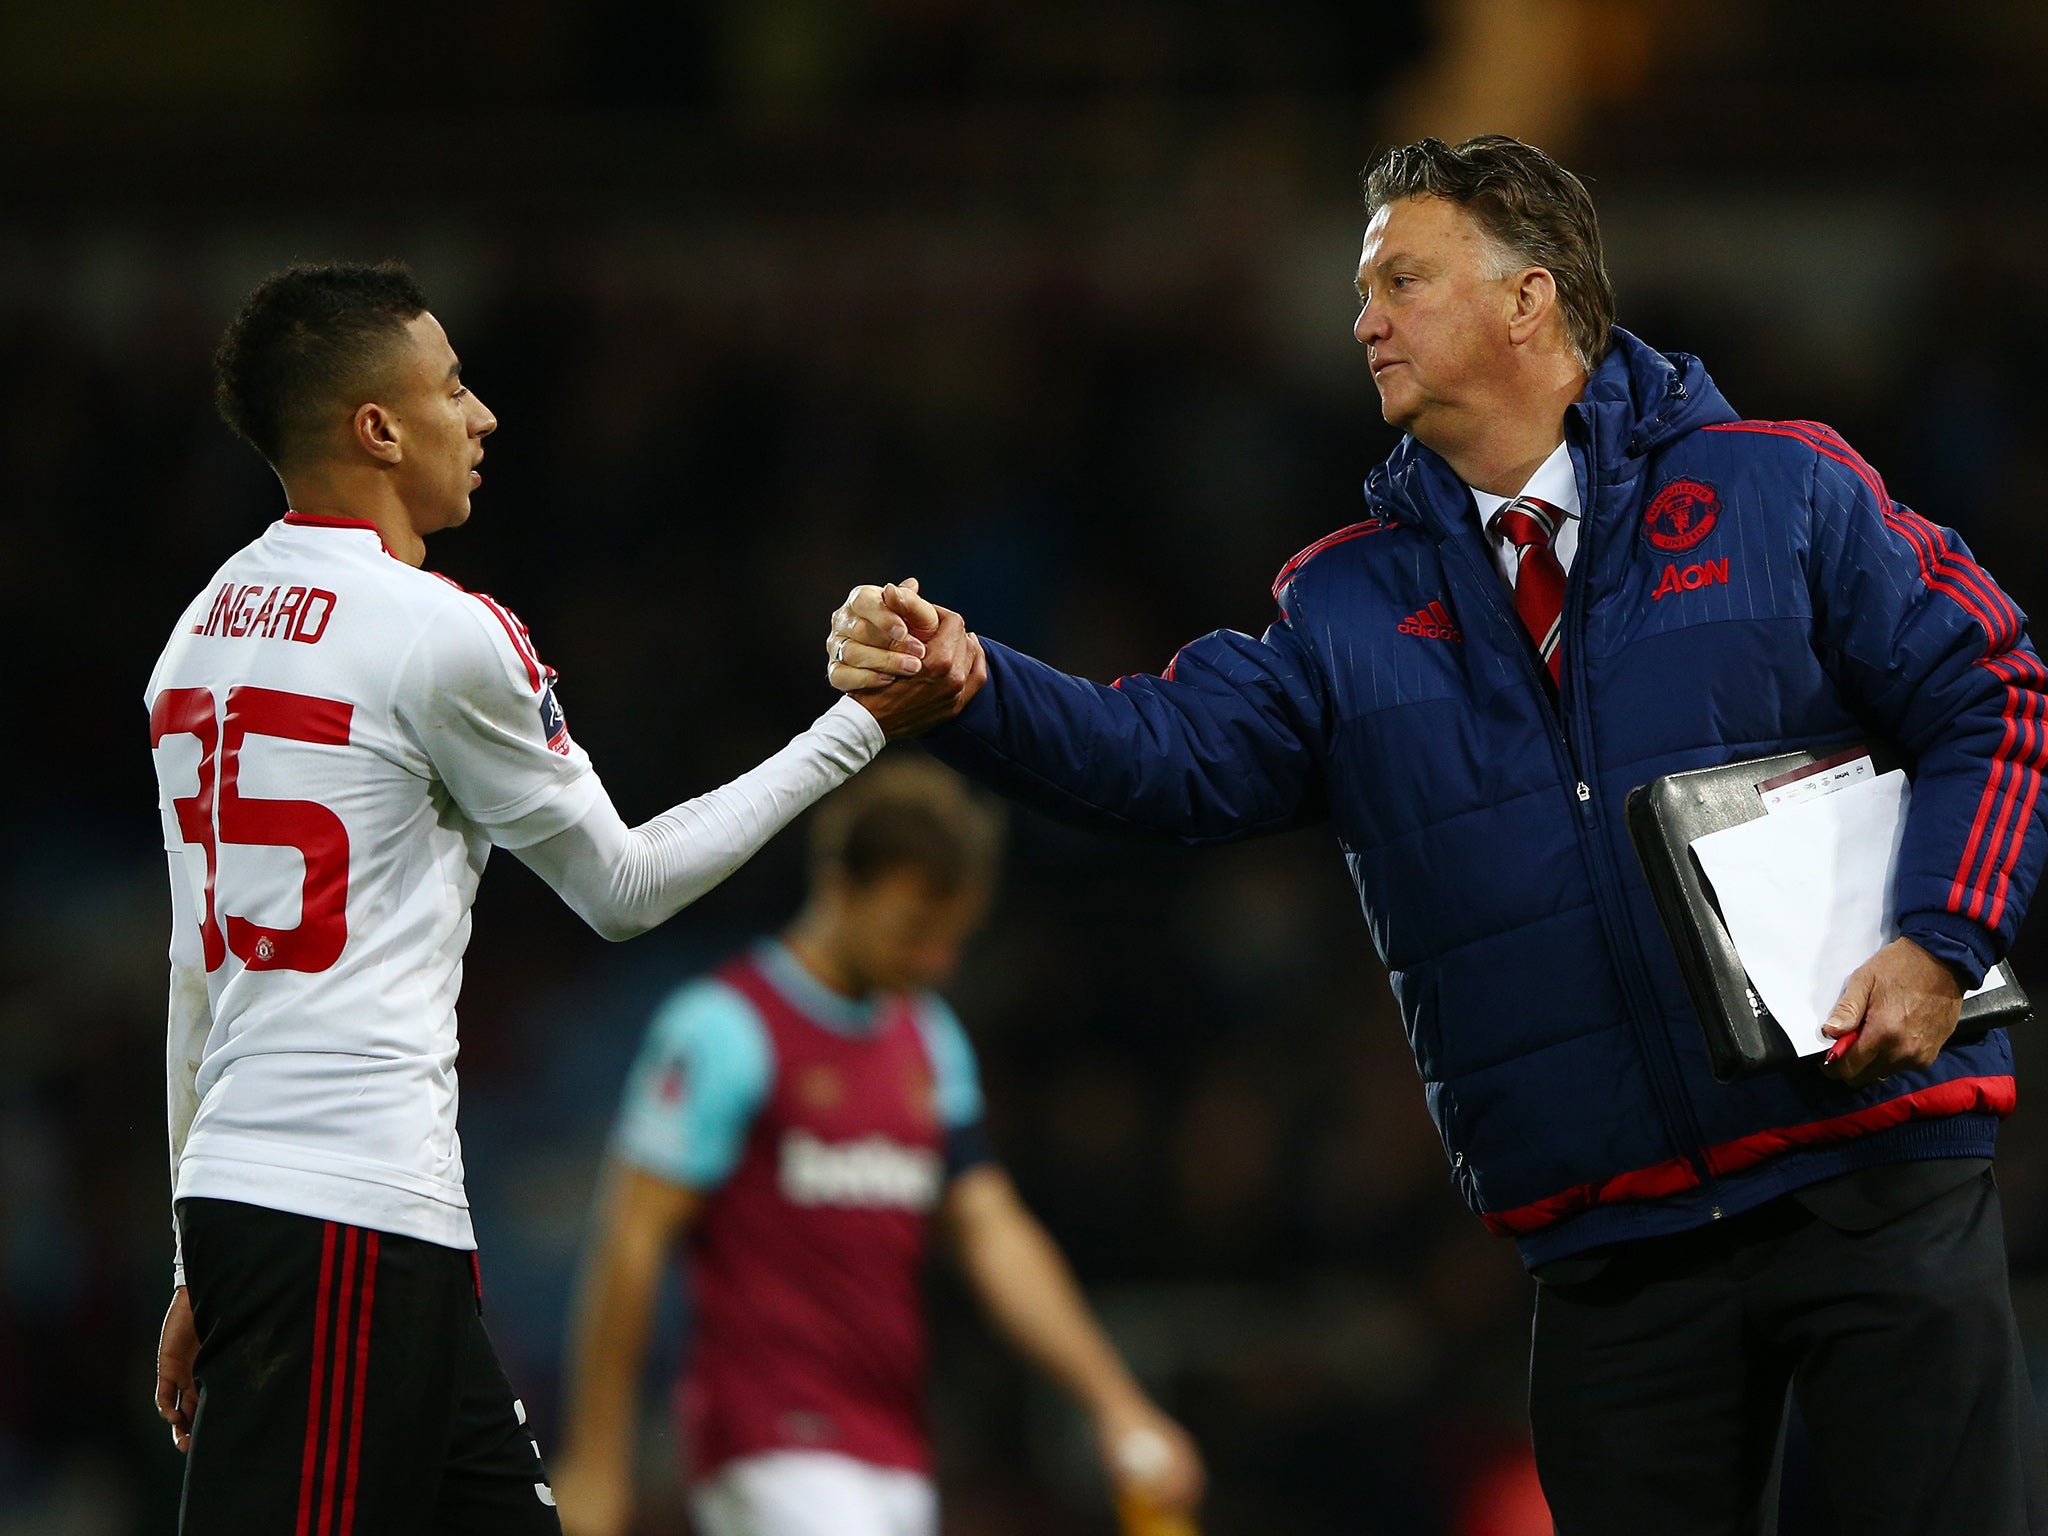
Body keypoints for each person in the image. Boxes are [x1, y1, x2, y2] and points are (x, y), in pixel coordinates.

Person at [825, 137, 2048, 1533]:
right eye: (1364, 291)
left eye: (1401, 279)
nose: (1362, 321)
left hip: (1872, 1172)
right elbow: (1161, 758)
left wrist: (1942, 943)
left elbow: (1994, 694)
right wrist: (975, 688)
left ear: (1529, 299)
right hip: (1615, 1242)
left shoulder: (1785, 490)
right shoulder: (1344, 606)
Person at [145, 261, 975, 1536]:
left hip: (292, 1204)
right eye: (452, 388)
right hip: (345, 1204)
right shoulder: (435, 631)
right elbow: (624, 886)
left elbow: (197, 982)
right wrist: (859, 727)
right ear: (376, 428)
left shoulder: (194, 639)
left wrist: (205, 1249)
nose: (479, 418)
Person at [549, 757, 1204, 1536]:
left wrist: (1116, 1403)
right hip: (769, 1443)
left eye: (951, 939)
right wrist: (595, 1458)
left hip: (892, 1447)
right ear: (841, 888)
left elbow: (995, 1235)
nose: (934, 962)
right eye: (913, 932)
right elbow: (631, 1239)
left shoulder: (927, 1039)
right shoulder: (724, 1027)